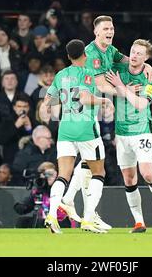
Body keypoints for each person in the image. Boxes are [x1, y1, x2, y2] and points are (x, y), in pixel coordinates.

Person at [59, 16, 152, 229]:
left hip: (90, 111)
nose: (110, 31)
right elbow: (101, 85)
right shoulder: (91, 53)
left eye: (112, 28)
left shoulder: (109, 51)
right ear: (96, 32)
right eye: (105, 28)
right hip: (84, 111)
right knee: (96, 165)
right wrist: (126, 90)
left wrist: (145, 63)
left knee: (89, 162)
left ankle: (76, 205)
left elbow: (124, 59)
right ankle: (80, 208)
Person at [42, 39, 114, 234]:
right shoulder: (87, 73)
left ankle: (51, 213)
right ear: (85, 54)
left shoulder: (60, 75)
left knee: (63, 175)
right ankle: (88, 219)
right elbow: (84, 97)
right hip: (86, 130)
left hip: (65, 130)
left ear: (68, 56)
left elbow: (46, 104)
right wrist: (104, 101)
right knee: (99, 173)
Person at [105, 39, 152, 233]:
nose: (134, 56)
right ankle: (139, 222)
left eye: (139, 53)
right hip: (122, 133)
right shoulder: (120, 65)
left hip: (141, 130)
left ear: (146, 57)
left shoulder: (150, 76)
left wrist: (121, 86)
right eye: (133, 52)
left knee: (148, 173)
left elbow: (141, 105)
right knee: (128, 178)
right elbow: (103, 64)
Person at [14, 162, 70, 228]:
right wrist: (22, 207)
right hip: (42, 220)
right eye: (45, 174)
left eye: (50, 174)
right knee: (21, 221)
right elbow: (27, 205)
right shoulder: (39, 190)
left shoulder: (61, 189)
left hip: (59, 221)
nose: (47, 177)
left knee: (42, 222)